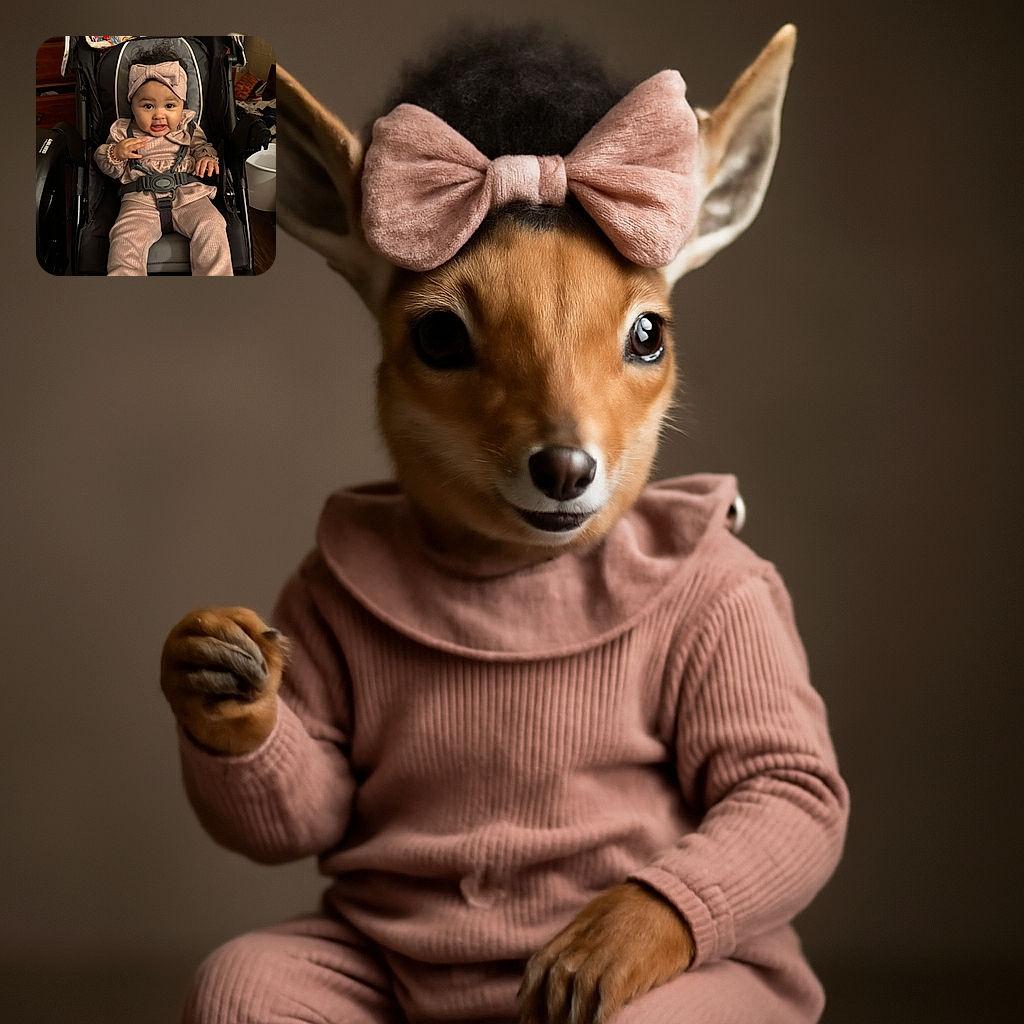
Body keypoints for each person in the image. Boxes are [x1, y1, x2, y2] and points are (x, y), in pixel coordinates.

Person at [95, 57, 233, 276]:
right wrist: (116, 153)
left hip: (190, 194)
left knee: (212, 224)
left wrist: (207, 158)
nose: (159, 114)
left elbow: (202, 147)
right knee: (124, 238)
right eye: (148, 106)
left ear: (182, 106)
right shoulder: (122, 132)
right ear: (132, 106)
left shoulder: (188, 127)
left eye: (170, 106)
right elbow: (106, 165)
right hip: (140, 199)